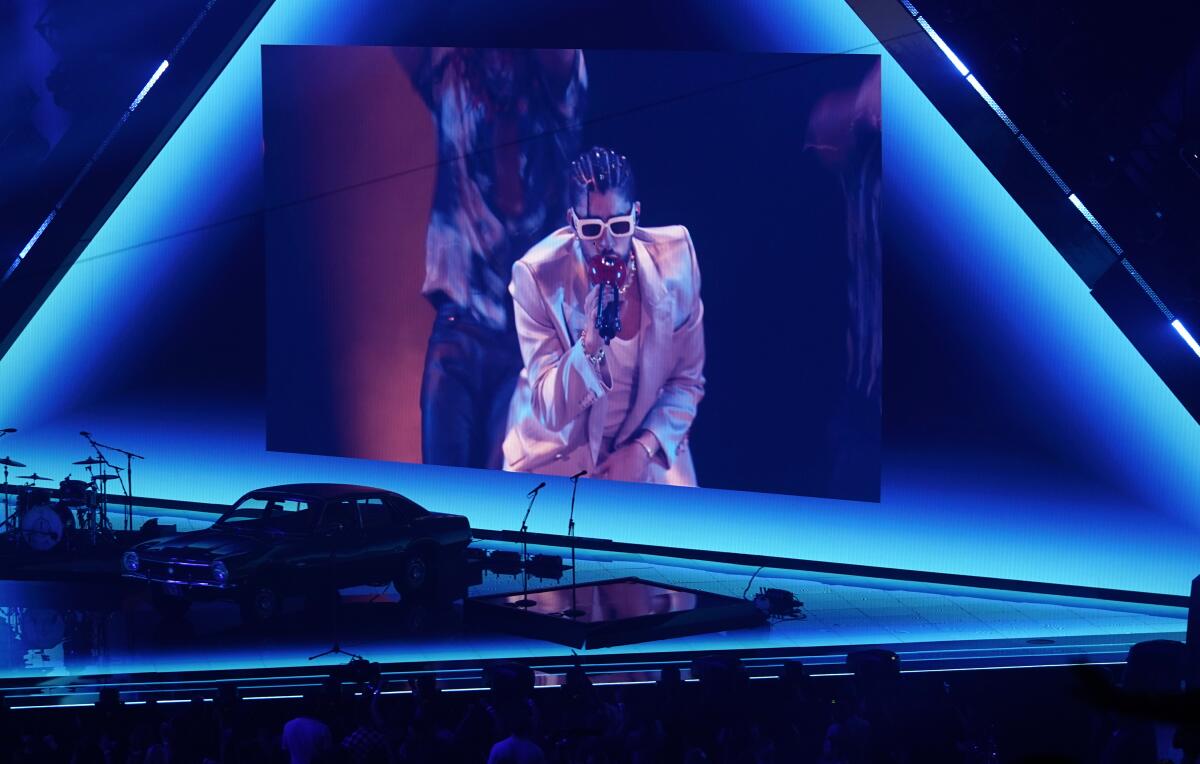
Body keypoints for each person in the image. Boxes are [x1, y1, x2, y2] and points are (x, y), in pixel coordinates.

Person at [398, 47, 587, 470]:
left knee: (503, 489)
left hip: (531, 340)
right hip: (459, 324)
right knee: (440, 496)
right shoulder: (450, 75)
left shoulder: (556, 87)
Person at [502, 147, 705, 485]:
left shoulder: (676, 261)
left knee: (689, 529)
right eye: (593, 228)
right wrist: (590, 343)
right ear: (572, 223)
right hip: (558, 454)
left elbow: (687, 381)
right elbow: (551, 409)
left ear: (636, 216)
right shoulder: (537, 276)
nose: (607, 242)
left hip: (644, 446)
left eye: (620, 225)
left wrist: (642, 449)